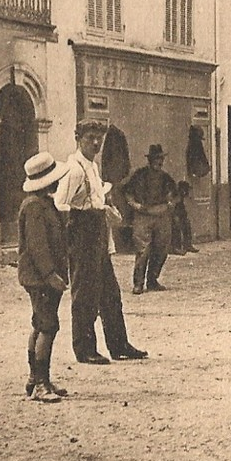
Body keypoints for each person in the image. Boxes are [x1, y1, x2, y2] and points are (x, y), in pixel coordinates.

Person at [54, 119, 147, 365]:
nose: (96, 143)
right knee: (85, 293)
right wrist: (86, 218)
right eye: (90, 138)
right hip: (82, 235)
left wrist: (105, 210)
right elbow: (60, 205)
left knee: (110, 294)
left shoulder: (92, 167)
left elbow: (95, 198)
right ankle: (84, 349)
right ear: (78, 139)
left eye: (99, 139)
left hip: (98, 235)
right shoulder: (73, 169)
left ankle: (119, 345)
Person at [18, 152, 72, 402]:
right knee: (48, 326)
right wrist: (51, 275)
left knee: (40, 324)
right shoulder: (34, 208)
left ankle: (36, 378)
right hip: (40, 278)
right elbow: (38, 247)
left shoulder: (44, 204)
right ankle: (40, 384)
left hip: (44, 277)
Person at [123, 144, 178, 294]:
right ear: (150, 160)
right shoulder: (138, 175)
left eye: (161, 159)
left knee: (161, 249)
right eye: (156, 159)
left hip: (161, 215)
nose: (159, 162)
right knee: (143, 250)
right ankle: (138, 283)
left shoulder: (166, 178)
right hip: (143, 216)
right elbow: (127, 193)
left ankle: (152, 281)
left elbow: (175, 195)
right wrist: (135, 205)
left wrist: (169, 205)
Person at [171, 180, 199, 255]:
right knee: (176, 227)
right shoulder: (175, 195)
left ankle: (188, 245)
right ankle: (176, 247)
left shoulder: (182, 196)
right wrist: (175, 217)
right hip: (173, 215)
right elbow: (172, 207)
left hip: (180, 214)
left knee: (187, 225)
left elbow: (183, 209)